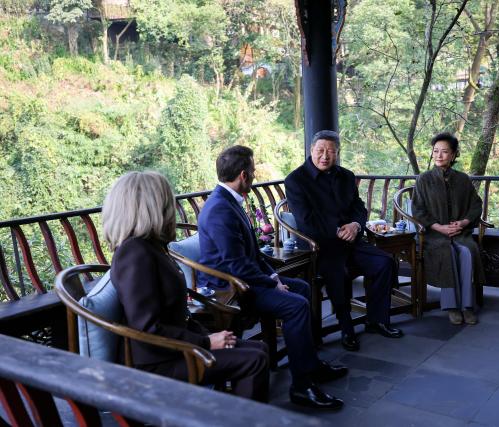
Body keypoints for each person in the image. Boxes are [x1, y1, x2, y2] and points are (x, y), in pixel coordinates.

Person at [197, 145, 347, 410]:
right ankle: (302, 387)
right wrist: (271, 282)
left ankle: (309, 364)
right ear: (244, 175)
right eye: (253, 171)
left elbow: (251, 254)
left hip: (245, 278)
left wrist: (274, 275)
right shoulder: (220, 209)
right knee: (296, 304)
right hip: (231, 289)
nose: (254, 175)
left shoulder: (230, 201)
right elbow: (236, 265)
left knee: (301, 287)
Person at [103, 171, 270, 402]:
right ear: (153, 207)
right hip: (156, 363)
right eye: (167, 201)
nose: (172, 207)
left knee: (259, 349)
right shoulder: (135, 253)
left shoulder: (151, 247)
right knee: (254, 360)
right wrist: (206, 342)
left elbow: (175, 316)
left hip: (172, 351)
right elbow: (147, 328)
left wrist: (208, 337)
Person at [285, 130, 403, 352]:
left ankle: (377, 320)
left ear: (337, 153)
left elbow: (358, 207)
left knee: (384, 262)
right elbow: (305, 220)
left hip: (351, 240)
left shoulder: (346, 176)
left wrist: (356, 225)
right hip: (319, 245)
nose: (325, 156)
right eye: (320, 150)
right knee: (337, 272)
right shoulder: (296, 180)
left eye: (331, 151)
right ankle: (346, 326)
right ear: (311, 150)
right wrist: (338, 229)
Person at [411, 132, 485, 325]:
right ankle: (451, 306)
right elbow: (418, 210)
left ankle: (467, 306)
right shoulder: (424, 180)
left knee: (468, 251)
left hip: (460, 233)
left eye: (444, 152)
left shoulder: (462, 179)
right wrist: (439, 228)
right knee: (447, 252)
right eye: (436, 151)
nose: (439, 155)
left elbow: (476, 204)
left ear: (453, 155)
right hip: (435, 235)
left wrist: (463, 223)